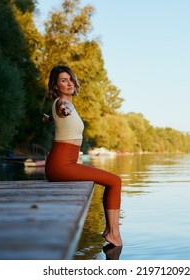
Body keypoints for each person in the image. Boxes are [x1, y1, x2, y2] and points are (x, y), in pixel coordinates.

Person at [44, 65, 123, 247]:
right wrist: (64, 110)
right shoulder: (61, 104)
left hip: (65, 163)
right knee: (115, 181)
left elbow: (61, 116)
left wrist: (54, 116)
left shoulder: (69, 104)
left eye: (70, 78)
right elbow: (62, 109)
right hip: (61, 165)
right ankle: (113, 233)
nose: (69, 83)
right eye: (64, 80)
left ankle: (111, 231)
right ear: (56, 86)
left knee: (113, 181)